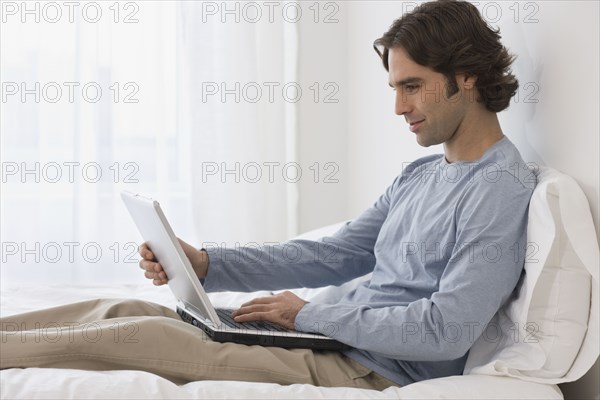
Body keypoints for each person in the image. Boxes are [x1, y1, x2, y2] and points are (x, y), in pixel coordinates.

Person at [0, 0, 536, 390]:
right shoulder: (419, 175)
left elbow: (447, 330)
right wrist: (207, 263)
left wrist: (306, 316)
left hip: (369, 368)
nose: (399, 108)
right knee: (123, 308)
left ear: (465, 78)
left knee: (146, 337)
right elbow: (331, 255)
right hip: (326, 336)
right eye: (395, 88)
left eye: (412, 86)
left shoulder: (499, 188)